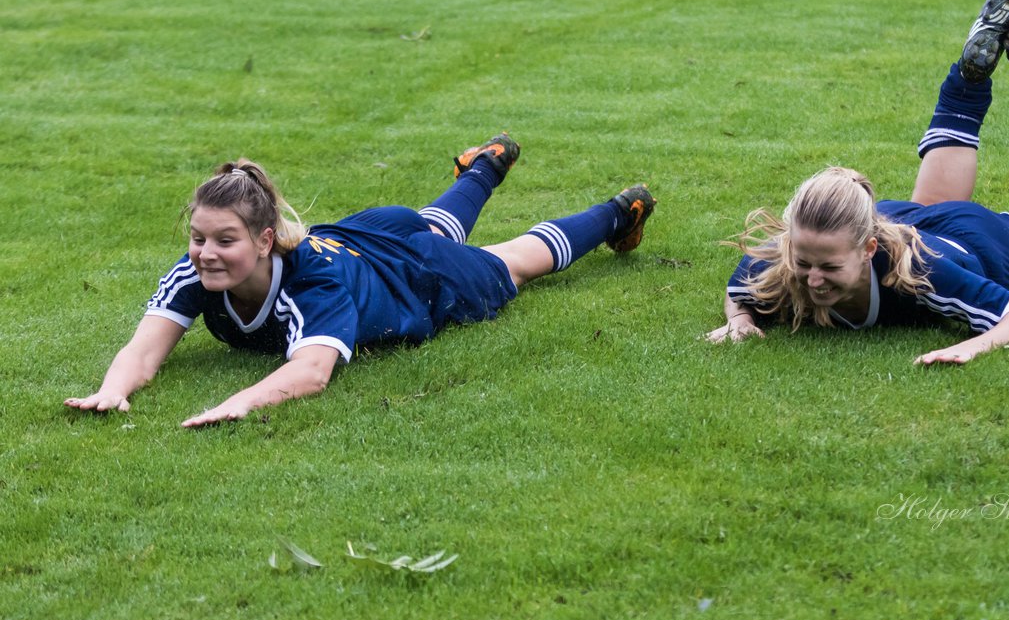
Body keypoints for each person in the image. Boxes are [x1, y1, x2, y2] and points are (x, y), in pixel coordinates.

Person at [66, 135, 656, 426]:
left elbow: (312, 372)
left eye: (225, 241)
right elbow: (144, 350)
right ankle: (484, 166)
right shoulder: (195, 272)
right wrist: (114, 388)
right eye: (199, 238)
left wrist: (239, 403)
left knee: (512, 262)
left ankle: (617, 211)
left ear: (265, 240)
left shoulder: (310, 284)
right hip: (358, 239)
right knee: (427, 227)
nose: (206, 254)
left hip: (410, 279)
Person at [707, 0, 1009, 365]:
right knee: (929, 205)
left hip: (972, 238)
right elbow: (743, 289)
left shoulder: (922, 273)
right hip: (903, 220)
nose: (812, 279)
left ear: (868, 249)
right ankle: (968, 79)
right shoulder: (786, 256)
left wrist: (967, 348)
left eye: (829, 267)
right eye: (804, 262)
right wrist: (739, 320)